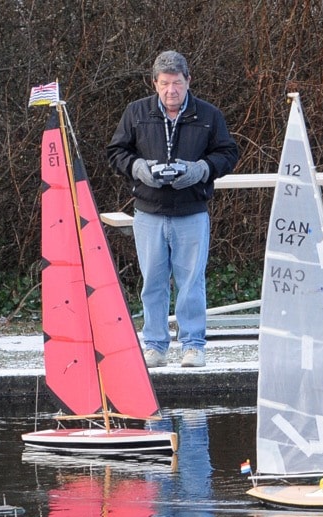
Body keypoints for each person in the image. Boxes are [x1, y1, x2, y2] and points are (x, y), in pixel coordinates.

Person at [107, 51, 239, 367]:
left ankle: (193, 345)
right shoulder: (136, 113)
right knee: (152, 281)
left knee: (191, 281)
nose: (171, 90)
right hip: (149, 212)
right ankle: (155, 345)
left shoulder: (208, 114)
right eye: (165, 83)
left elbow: (228, 152)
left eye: (177, 83)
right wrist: (137, 167)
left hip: (192, 212)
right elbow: (116, 151)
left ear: (188, 81)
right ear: (155, 84)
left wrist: (202, 169)